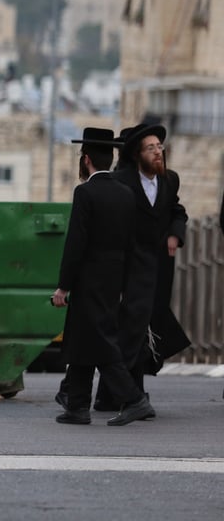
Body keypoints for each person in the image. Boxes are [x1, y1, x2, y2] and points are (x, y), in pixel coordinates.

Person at [51, 128, 153, 426]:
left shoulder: (85, 192)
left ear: (85, 160)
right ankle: (78, 406)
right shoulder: (125, 193)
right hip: (114, 279)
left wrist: (63, 286)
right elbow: (132, 242)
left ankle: (134, 400)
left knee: (100, 342)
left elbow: (76, 244)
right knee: (85, 339)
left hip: (88, 280)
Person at [98, 119, 189, 410]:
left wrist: (175, 234)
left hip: (159, 269)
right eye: (151, 148)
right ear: (137, 154)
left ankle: (121, 394)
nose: (158, 152)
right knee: (130, 329)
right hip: (130, 268)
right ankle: (124, 395)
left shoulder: (169, 180)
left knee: (146, 329)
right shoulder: (121, 181)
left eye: (159, 147)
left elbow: (177, 210)